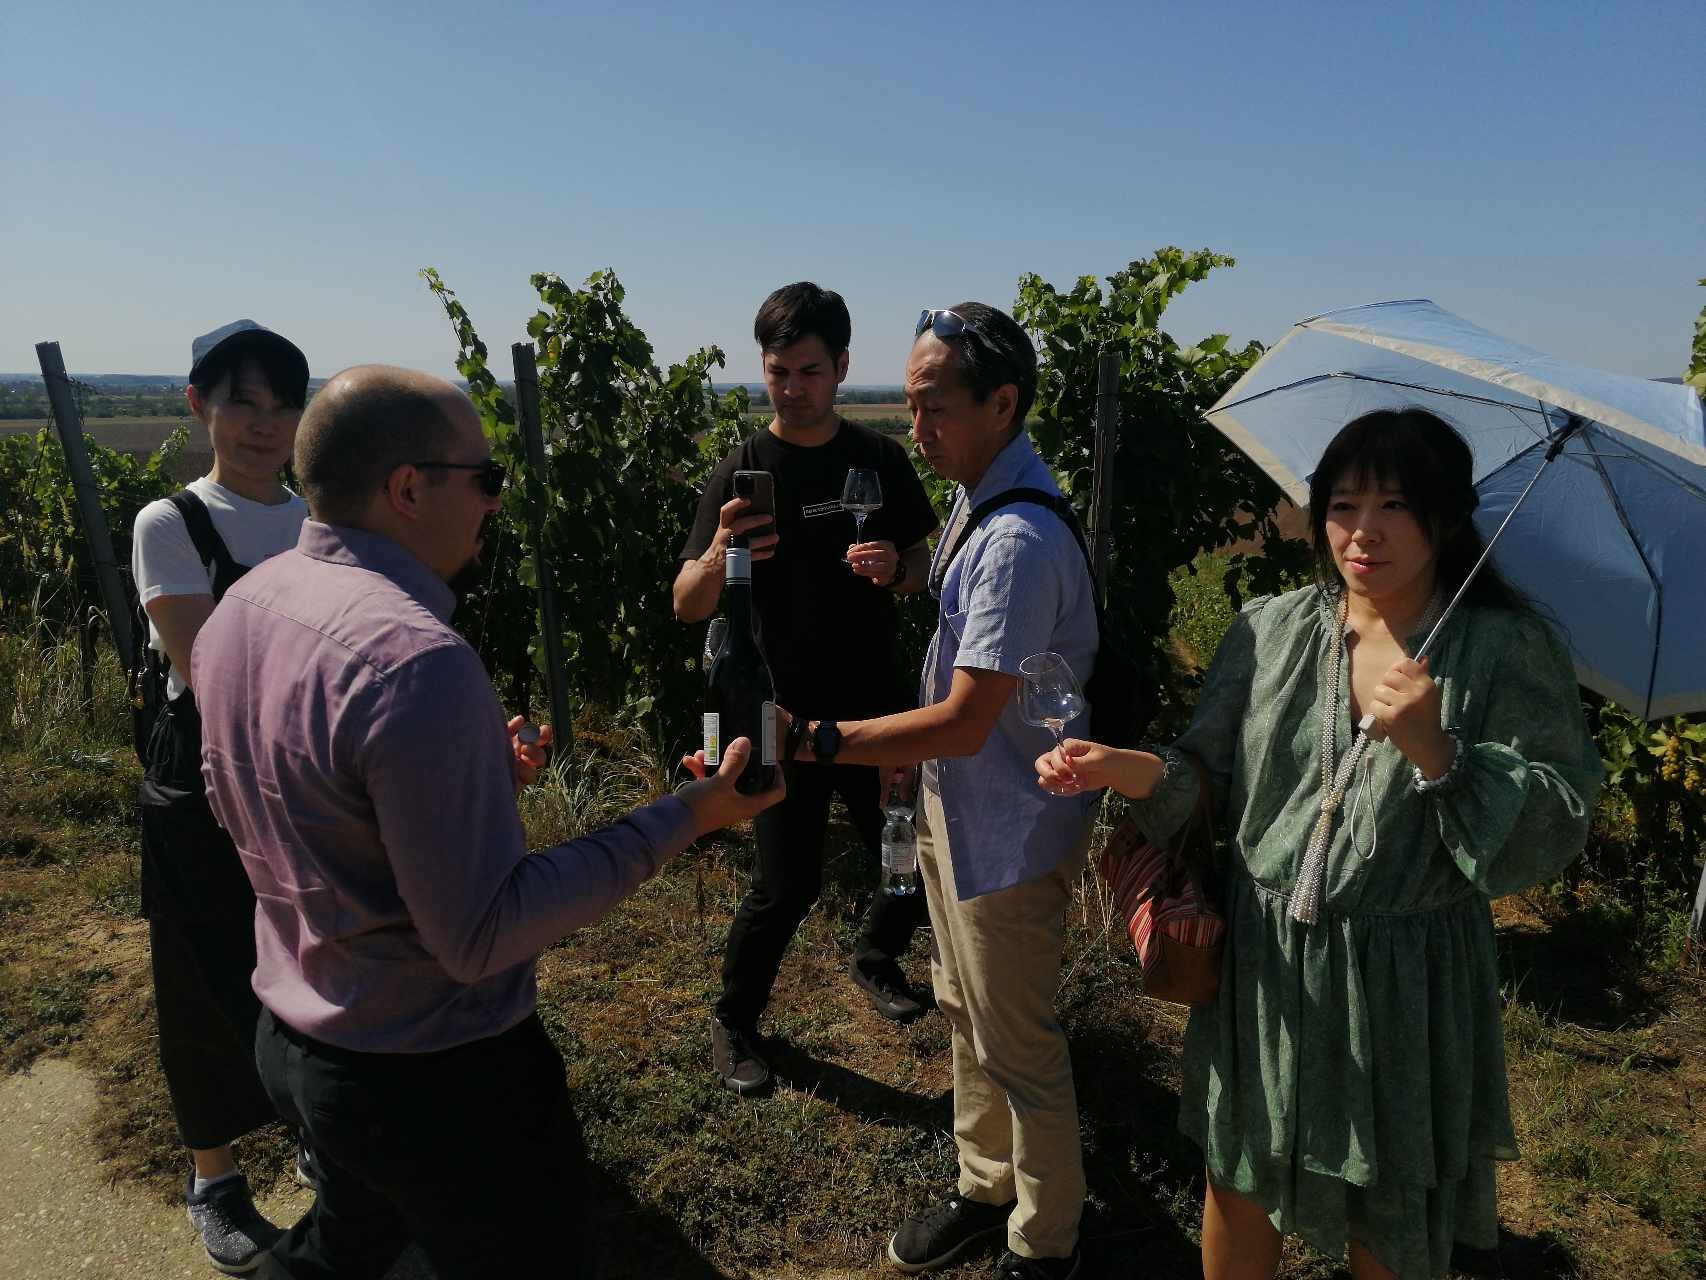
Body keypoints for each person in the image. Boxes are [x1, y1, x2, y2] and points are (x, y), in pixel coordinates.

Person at [192, 365, 781, 1279]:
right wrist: (684, 816)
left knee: (349, 1242)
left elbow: (287, 800)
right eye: (486, 478)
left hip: (296, 1032)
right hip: (433, 1077)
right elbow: (481, 934)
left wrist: (470, 779)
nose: (497, 502)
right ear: (407, 489)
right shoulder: (413, 661)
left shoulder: (244, 604)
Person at [1035, 409, 1604, 1280]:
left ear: (1447, 517)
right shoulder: (1273, 628)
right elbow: (1207, 774)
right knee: (1239, 1173)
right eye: (1342, 505)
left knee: (1391, 1205)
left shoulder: (1501, 647)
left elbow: (1558, 817)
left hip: (1405, 978)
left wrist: (1440, 752)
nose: (1363, 531)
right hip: (1265, 963)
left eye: (1394, 506)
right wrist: (1128, 769)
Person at [779, 303, 1099, 1280]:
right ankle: (984, 1184)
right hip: (961, 811)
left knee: (1019, 1041)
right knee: (963, 1007)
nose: (916, 429)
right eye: (911, 406)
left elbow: (964, 720)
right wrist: (908, 571)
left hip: (1008, 831)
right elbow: (957, 630)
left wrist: (819, 739)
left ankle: (1044, 1240)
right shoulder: (980, 498)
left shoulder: (1017, 540)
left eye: (934, 407)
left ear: (1001, 403)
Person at [674, 282, 939, 1096]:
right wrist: (720, 549)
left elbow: (923, 562)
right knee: (788, 884)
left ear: (842, 367)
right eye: (778, 371)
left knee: (910, 855)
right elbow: (686, 604)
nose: (791, 388)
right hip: (776, 715)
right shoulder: (741, 470)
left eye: (810, 371)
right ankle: (733, 1020)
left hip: (874, 706)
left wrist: (898, 571)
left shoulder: (879, 459)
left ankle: (876, 955)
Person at [131, 319, 310, 1274]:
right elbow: (208, 670)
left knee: (307, 956)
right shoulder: (172, 524)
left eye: (283, 404)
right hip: (204, 774)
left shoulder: (315, 517)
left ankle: (315, 1128)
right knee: (201, 977)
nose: (264, 423)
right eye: (243, 401)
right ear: (200, 404)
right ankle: (215, 1176)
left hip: (303, 768)